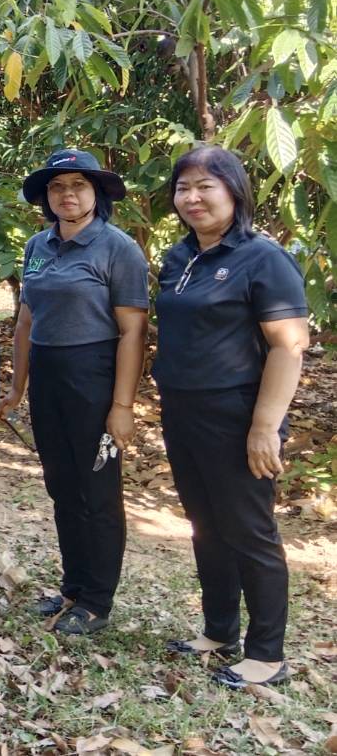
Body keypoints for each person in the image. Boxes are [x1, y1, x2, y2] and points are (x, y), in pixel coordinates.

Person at [153, 146, 307, 690]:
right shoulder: (180, 258)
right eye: (183, 188)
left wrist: (266, 425)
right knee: (205, 526)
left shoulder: (263, 258)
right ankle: (220, 630)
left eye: (205, 187)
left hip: (238, 415)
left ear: (234, 191)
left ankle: (267, 654)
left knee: (249, 531)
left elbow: (289, 347)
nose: (192, 198)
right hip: (183, 410)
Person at [0, 150, 148, 636]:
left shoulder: (117, 248)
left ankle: (97, 600)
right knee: (62, 486)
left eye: (79, 185)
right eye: (57, 187)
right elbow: (25, 320)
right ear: (46, 197)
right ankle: (72, 586)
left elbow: (132, 332)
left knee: (97, 492)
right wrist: (17, 387)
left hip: (94, 377)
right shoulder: (39, 246)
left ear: (97, 194)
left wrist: (122, 406)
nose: (67, 194)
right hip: (49, 376)